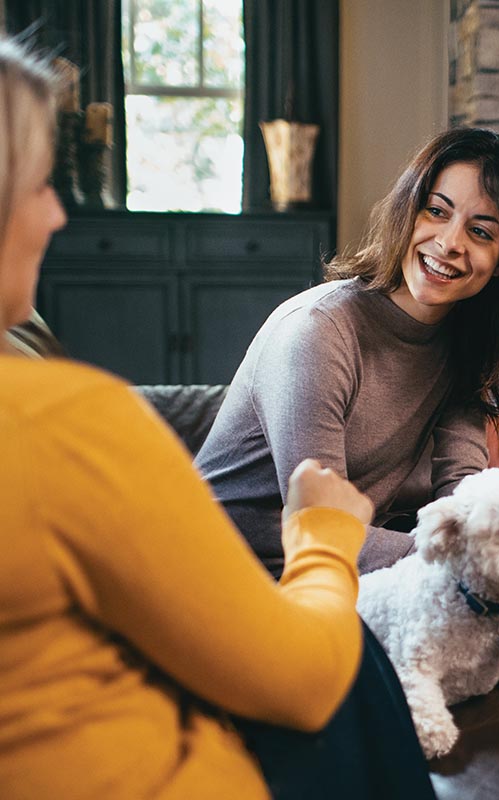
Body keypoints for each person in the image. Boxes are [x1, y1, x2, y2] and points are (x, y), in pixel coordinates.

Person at [0, 36, 431, 800]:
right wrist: (326, 536)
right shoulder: (57, 423)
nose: (58, 214)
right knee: (353, 659)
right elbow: (300, 679)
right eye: (39, 186)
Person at [196, 126, 499, 689]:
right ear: (406, 210)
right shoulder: (318, 334)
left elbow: (463, 489)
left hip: (352, 549)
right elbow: (316, 523)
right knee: (489, 591)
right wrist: (493, 558)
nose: (449, 243)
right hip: (253, 567)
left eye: (480, 231)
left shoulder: (464, 342)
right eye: (436, 211)